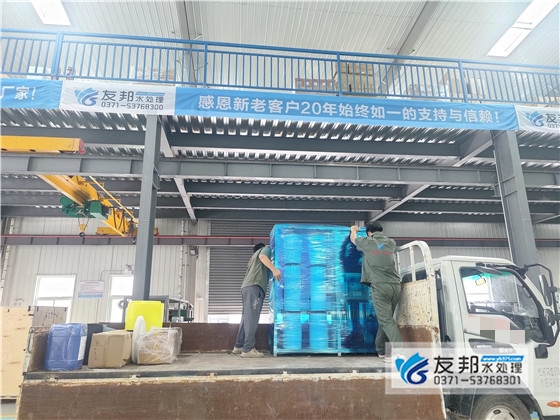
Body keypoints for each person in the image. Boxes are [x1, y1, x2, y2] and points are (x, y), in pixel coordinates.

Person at [350, 221, 402, 361]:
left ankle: (400, 352)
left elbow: (353, 239)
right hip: (396, 285)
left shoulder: (367, 242)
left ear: (369, 232)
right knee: (385, 319)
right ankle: (381, 350)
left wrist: (353, 230)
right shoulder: (391, 243)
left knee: (386, 320)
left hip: (380, 285)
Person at [232, 242, 281, 358]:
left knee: (246, 317)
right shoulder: (265, 249)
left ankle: (239, 346)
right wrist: (274, 269)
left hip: (246, 287)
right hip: (255, 286)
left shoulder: (252, 259)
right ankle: (248, 349)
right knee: (252, 318)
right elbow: (263, 257)